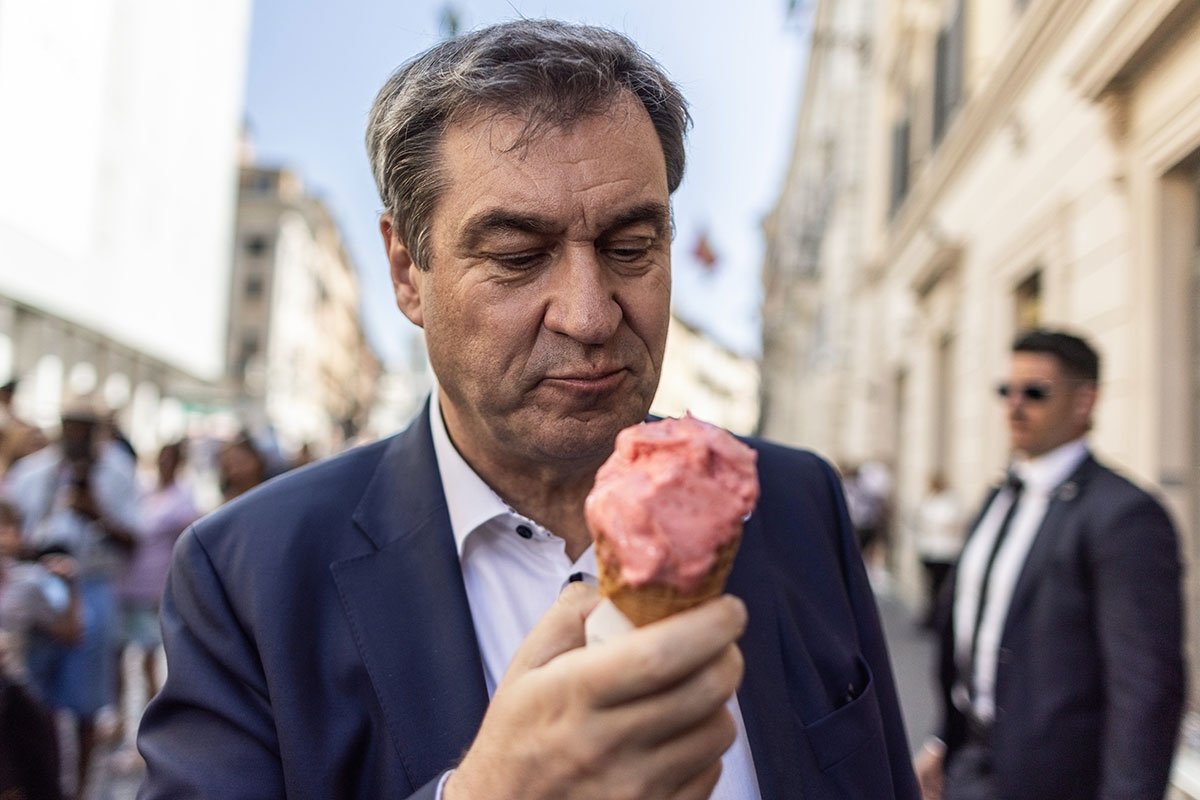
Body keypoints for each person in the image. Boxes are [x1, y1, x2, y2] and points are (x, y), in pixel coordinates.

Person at [137, 20, 920, 800]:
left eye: (630, 248)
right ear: (408, 272)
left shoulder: (793, 501)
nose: (588, 314)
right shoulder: (250, 575)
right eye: (517, 257)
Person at [914, 329, 1185, 800]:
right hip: (969, 766)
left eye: (1035, 392)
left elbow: (1146, 691)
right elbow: (975, 637)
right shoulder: (998, 496)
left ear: (1085, 401)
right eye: (1007, 391)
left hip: (1058, 782)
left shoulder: (1124, 514)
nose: (1015, 405)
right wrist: (946, 739)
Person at [3, 399, 142, 797]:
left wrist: (95, 511)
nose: (76, 435)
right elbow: (14, 529)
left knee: (84, 700)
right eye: (70, 426)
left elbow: (133, 538)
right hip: (35, 586)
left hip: (91, 587)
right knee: (29, 695)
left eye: (85, 427)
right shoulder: (34, 470)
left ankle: (79, 788)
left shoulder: (118, 472)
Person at [113, 441, 198, 761]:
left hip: (152, 589)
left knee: (149, 664)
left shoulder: (183, 498)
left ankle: (148, 737)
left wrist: (169, 587)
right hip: (127, 584)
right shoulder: (144, 491)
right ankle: (122, 725)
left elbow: (185, 546)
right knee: (118, 661)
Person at [0, 500, 80, 800]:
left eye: (8, 529)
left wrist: (71, 586)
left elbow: (71, 634)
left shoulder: (28, 584)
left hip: (16, 699)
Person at [914, 473, 962, 629]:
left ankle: (937, 617)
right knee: (930, 585)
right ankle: (930, 615)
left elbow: (951, 523)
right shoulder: (930, 499)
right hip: (929, 549)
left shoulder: (949, 501)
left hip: (944, 551)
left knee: (940, 586)